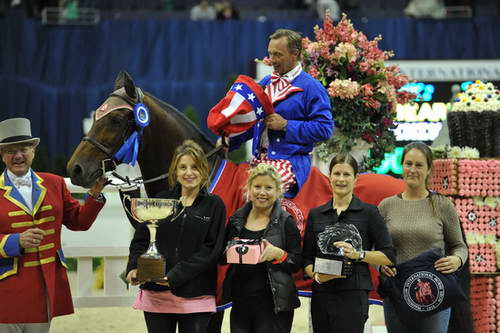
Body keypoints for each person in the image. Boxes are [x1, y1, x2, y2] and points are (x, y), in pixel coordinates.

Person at [0, 117, 107, 332]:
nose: (18, 156)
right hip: (6, 288)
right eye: (11, 151)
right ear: (2, 155)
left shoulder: (54, 183)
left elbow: (79, 222)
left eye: (24, 149)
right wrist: (15, 241)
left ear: (33, 151)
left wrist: (94, 196)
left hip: (43, 286)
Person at [126, 140, 226, 333]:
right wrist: (133, 267)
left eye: (195, 167)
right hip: (157, 294)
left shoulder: (215, 205)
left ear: (204, 171)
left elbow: (211, 251)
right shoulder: (161, 200)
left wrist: (174, 276)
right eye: (183, 167)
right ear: (175, 172)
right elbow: (141, 240)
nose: (189, 173)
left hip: (196, 295)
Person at [227, 29, 333, 198]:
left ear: (295, 54)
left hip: (289, 162)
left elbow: (324, 129)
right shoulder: (265, 83)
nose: (272, 60)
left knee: (260, 196)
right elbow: (252, 121)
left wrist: (286, 125)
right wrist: (229, 140)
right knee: (229, 192)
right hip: (259, 160)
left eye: (278, 55)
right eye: (270, 54)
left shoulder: (312, 87)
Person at [378, 141, 468, 333]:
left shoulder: (442, 204)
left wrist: (457, 259)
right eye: (408, 163)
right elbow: (373, 247)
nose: (412, 169)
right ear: (401, 166)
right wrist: (379, 265)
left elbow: (459, 246)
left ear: (428, 170)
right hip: (396, 293)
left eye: (419, 165)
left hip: (434, 292)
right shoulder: (386, 206)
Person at [303, 153, 395, 333]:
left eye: (346, 174)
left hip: (353, 295)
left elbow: (388, 256)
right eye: (337, 174)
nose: (341, 179)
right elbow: (306, 258)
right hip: (322, 295)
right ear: (329, 176)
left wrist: (359, 254)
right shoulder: (316, 214)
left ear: (355, 178)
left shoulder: (369, 213)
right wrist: (316, 276)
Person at [222, 163, 301, 333]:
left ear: (278, 191)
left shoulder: (286, 221)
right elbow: (222, 257)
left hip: (274, 304)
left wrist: (279, 254)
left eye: (268, 187)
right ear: (249, 188)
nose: (262, 192)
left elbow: (297, 263)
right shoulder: (236, 219)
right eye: (257, 186)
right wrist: (229, 249)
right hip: (241, 303)